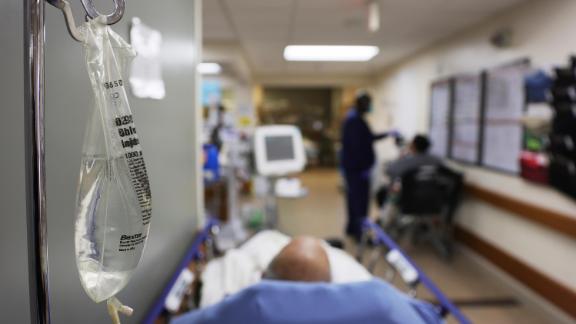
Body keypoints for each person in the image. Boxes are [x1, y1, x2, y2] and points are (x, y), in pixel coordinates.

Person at [340, 92, 396, 240]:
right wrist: (363, 168)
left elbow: (368, 138)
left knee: (354, 201)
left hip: (356, 169)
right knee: (359, 203)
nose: (370, 107)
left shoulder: (356, 119)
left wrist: (388, 133)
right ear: (363, 104)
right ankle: (360, 234)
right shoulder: (354, 121)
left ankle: (352, 229)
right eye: (369, 104)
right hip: (357, 171)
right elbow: (357, 147)